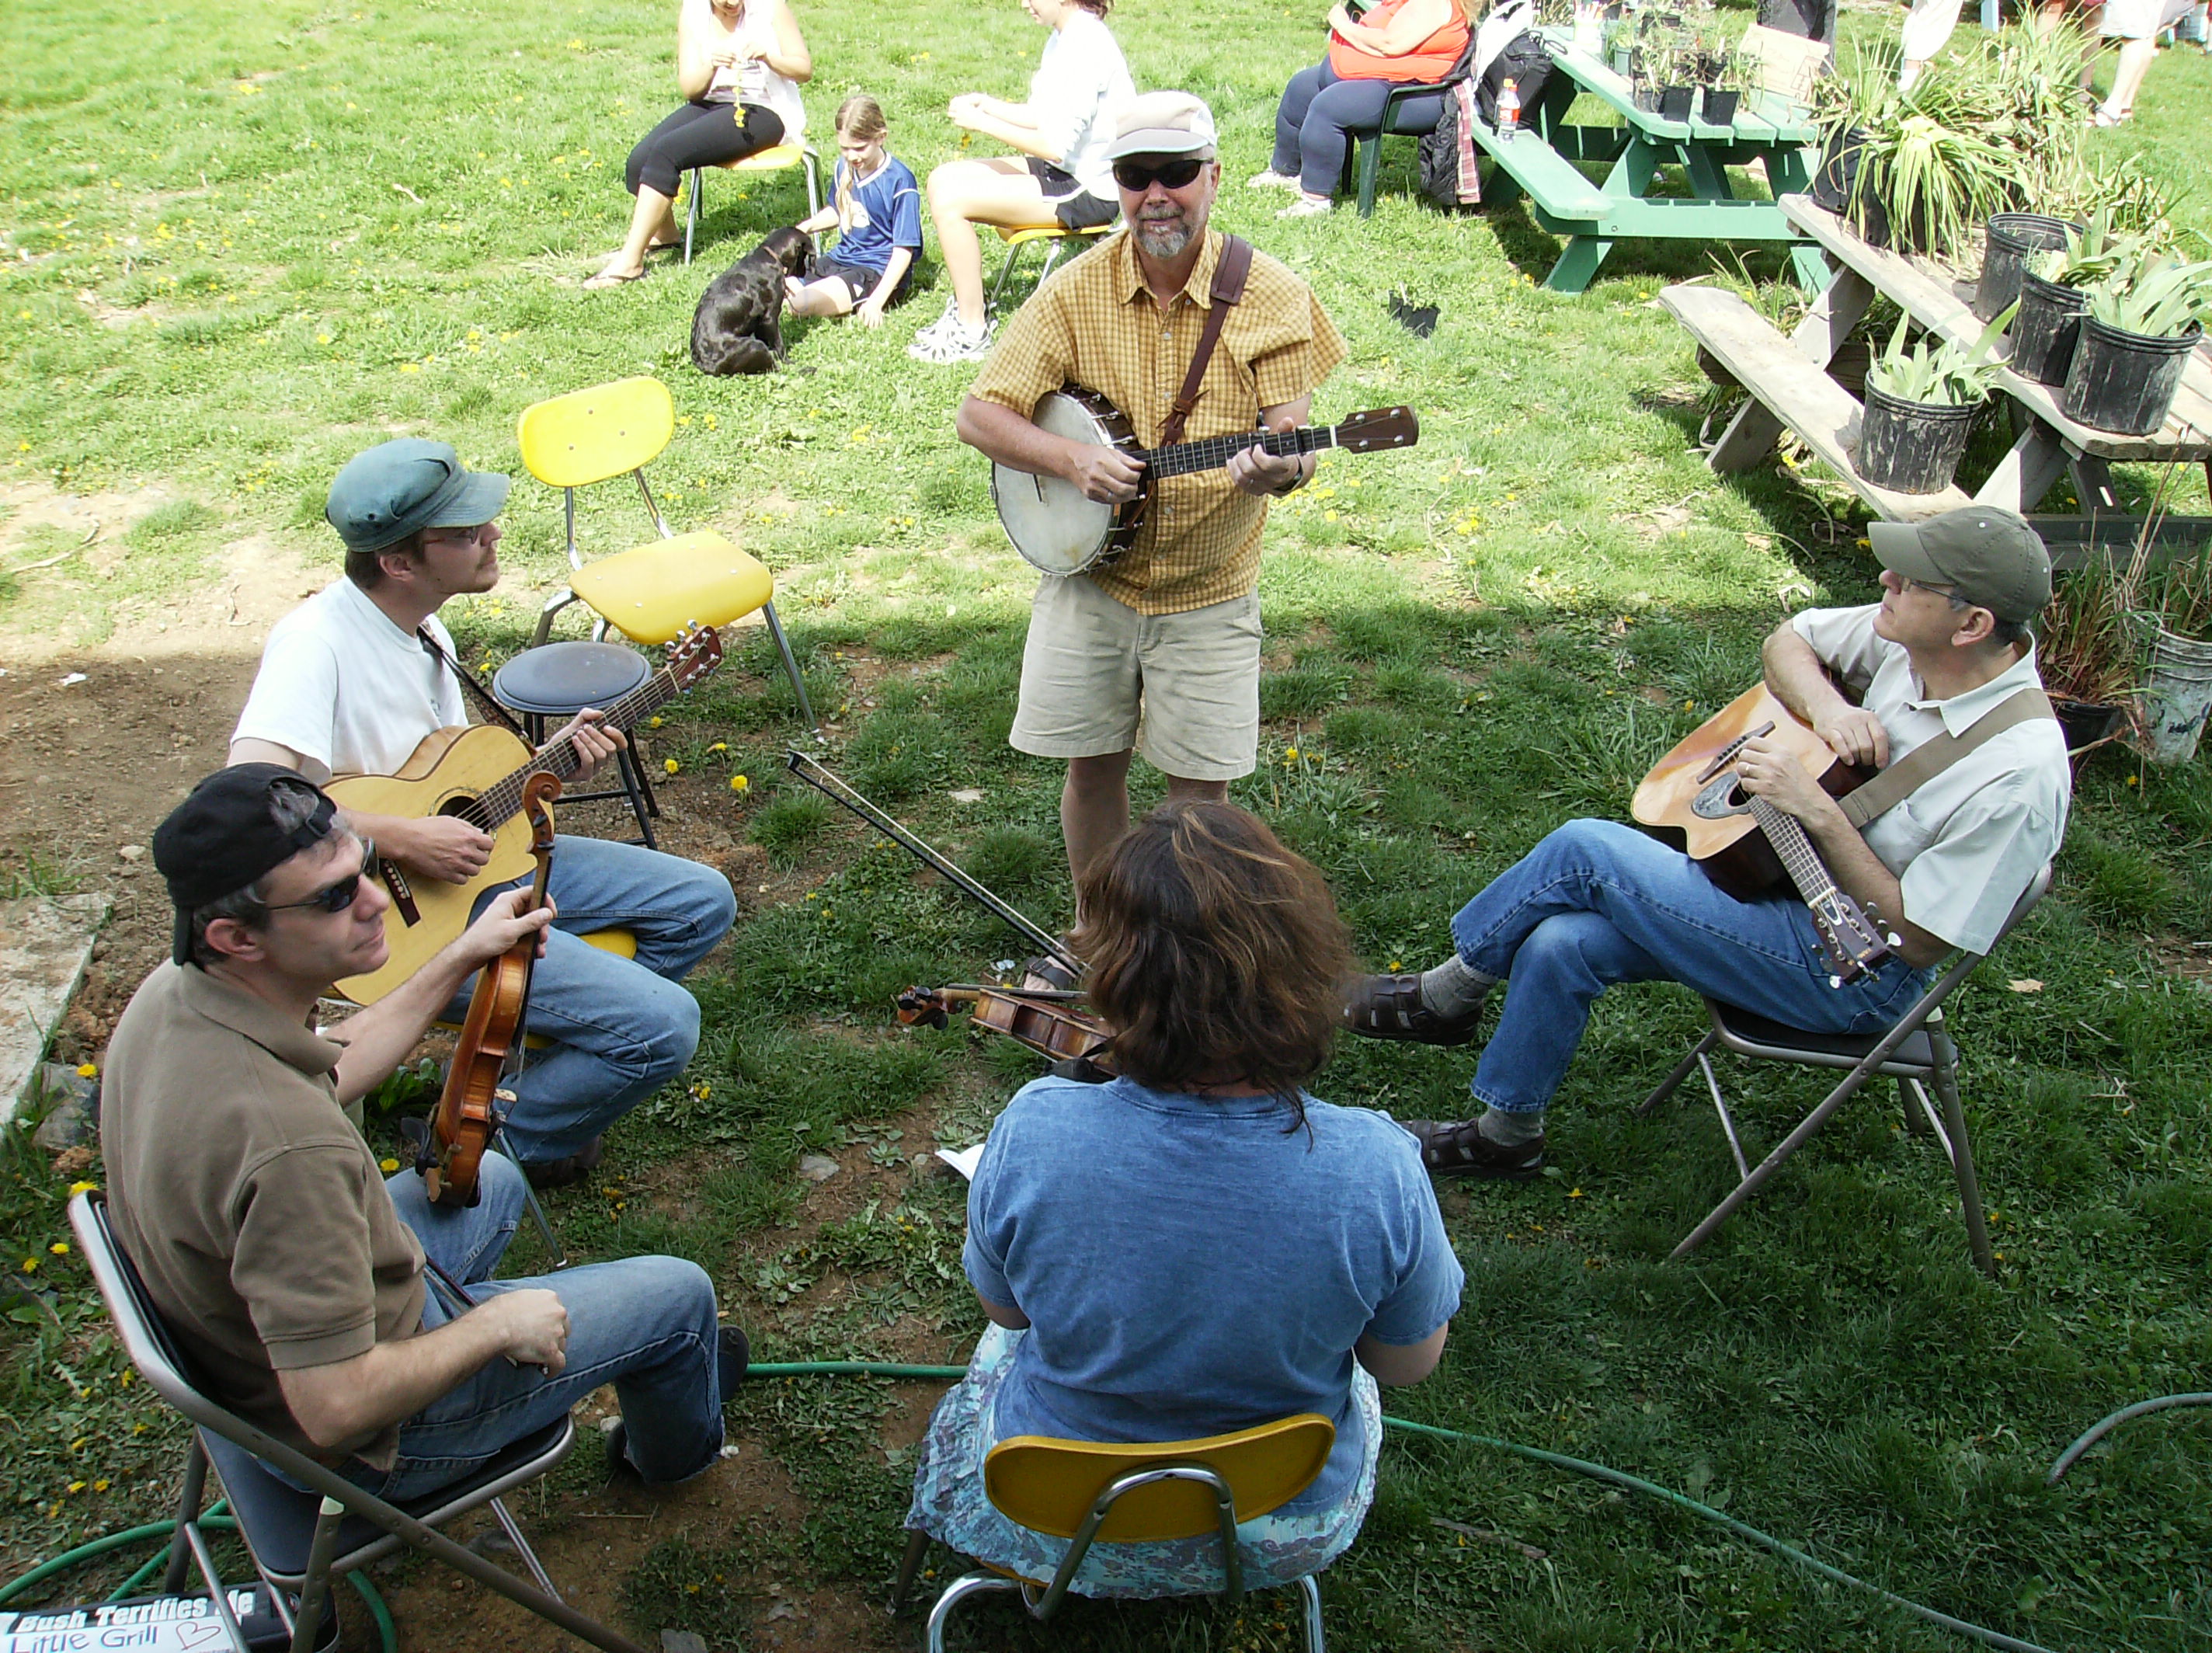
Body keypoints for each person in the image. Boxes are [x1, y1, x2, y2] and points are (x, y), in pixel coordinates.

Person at [1346, 508, 2071, 1178]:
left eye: (1910, 580)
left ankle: (1442, 999)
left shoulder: (2017, 774)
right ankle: (1508, 1136)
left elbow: (1917, 941)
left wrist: (1818, 813)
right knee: (1561, 941)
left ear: (1971, 623)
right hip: (1786, 889)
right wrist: (1826, 707)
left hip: (1852, 972)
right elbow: (1788, 640)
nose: (1885, 579)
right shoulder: (1911, 648)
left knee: (1585, 848)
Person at [100, 765, 750, 1500]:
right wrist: (493, 1328)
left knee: (492, 1177)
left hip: (252, 1345)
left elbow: (331, 1072)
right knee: (680, 1297)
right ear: (236, 936)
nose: (376, 900)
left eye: (365, 869)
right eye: (334, 898)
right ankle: (664, 1458)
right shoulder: (289, 1149)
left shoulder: (178, 996)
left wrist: (461, 956)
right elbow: (335, 1409)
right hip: (375, 1439)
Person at [905, 800, 1462, 1594]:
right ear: (1305, 972)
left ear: (1113, 983)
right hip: (1278, 1523)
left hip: (1046, 1517)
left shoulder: (1034, 1127)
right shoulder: (1380, 1164)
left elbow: (1007, 1313)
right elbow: (1405, 1363)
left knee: (1000, 1356)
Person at [229, 439, 737, 1185]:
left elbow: (449, 776)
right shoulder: (316, 645)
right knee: (664, 1027)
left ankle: (527, 1077)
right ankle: (478, 1142)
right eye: (467, 531)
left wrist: (553, 757)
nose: (493, 535)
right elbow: (247, 798)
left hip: (482, 864)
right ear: (399, 563)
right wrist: (403, 836)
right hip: (403, 921)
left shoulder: (425, 627)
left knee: (700, 902)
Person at [955, 92, 1347, 917]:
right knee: (1090, 767)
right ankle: (1101, 934)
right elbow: (978, 415)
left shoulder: (1271, 294)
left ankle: (1179, 953)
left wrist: (1280, 469)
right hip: (1091, 581)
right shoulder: (1075, 288)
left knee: (1198, 804)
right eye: (1137, 176)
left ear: (1212, 177)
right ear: (1118, 184)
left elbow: (1289, 433)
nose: (1156, 195)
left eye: (1176, 173)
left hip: (1209, 588)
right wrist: (1070, 458)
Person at [907, 0, 1133, 364]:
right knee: (941, 180)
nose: (1023, 3)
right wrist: (989, 106)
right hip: (1064, 170)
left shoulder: (1087, 46)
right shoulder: (1064, 36)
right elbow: (1043, 117)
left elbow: (1055, 146)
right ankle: (967, 312)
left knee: (951, 199)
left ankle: (971, 329)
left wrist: (982, 124)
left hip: (1093, 190)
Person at [590, 0, 812, 288]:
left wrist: (770, 57)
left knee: (667, 152)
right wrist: (711, 64)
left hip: (764, 110)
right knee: (639, 160)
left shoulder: (770, 7)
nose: (733, 3)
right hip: (711, 103)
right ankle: (665, 235)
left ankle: (630, 263)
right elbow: (691, 88)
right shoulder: (694, 11)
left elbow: (804, 68)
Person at [1250, 0, 1473, 218]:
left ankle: (1315, 201)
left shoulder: (1431, 4)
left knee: (1330, 107)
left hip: (1417, 94)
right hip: (1390, 76)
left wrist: (1343, 24)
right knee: (1302, 87)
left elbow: (1390, 44)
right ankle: (1284, 171)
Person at [784, 93, 923, 328]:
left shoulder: (900, 180)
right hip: (840, 259)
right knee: (771, 283)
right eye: (845, 149)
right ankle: (801, 290)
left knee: (800, 304)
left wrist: (877, 301)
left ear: (881, 138)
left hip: (874, 270)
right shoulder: (843, 166)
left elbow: (904, 250)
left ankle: (808, 294)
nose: (852, 156)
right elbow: (840, 211)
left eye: (859, 148)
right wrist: (804, 227)